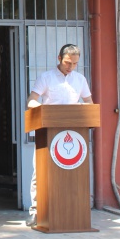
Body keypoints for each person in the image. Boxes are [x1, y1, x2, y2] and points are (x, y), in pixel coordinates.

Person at [25, 43, 93, 227]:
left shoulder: (80, 79)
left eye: (75, 63)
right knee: (39, 173)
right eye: (67, 63)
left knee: (70, 172)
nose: (70, 67)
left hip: (72, 132)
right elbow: (31, 101)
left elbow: (89, 103)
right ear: (59, 59)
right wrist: (44, 110)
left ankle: (69, 210)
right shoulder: (46, 78)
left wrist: (82, 108)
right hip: (48, 133)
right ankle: (36, 211)